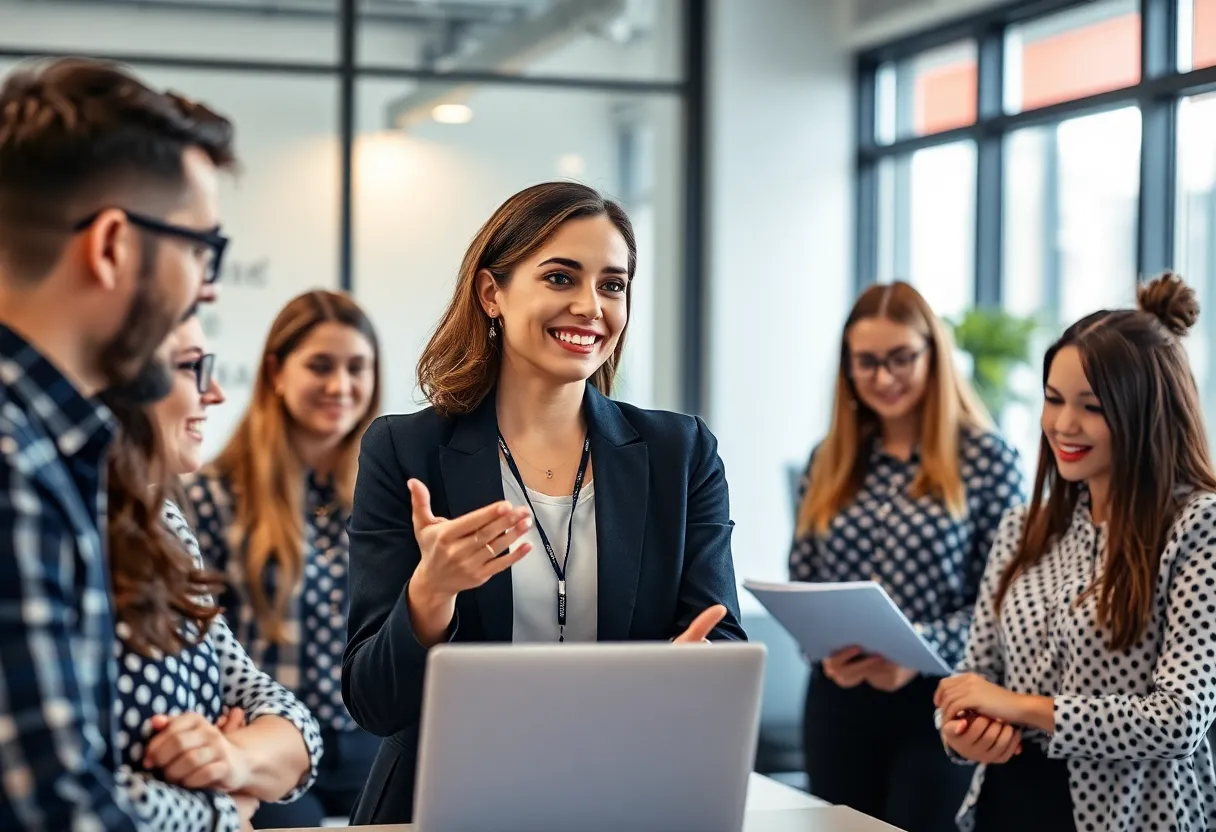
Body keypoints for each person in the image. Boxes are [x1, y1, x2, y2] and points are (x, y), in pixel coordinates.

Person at [341, 181, 746, 824]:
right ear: (491, 293)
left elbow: (719, 638)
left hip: (627, 796)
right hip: (445, 804)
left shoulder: (681, 453)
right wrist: (430, 595)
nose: (591, 306)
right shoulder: (405, 451)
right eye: (561, 277)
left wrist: (691, 679)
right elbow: (374, 703)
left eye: (613, 285)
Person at [0, 57, 233, 829]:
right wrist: (215, 815)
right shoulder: (16, 465)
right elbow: (56, 813)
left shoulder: (51, 447)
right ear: (111, 246)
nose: (207, 288)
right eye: (200, 250)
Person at [935, 273, 1216, 832]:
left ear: (1144, 411)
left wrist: (1018, 707)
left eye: (1091, 406)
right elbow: (976, 677)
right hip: (1007, 807)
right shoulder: (1023, 528)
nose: (1063, 424)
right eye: (1053, 399)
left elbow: (1179, 720)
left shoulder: (1198, 526)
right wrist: (962, 731)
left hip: (1135, 816)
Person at [789, 280, 1025, 832]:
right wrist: (822, 653)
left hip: (940, 703)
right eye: (866, 363)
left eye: (901, 359)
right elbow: (804, 580)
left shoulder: (987, 460)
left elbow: (1004, 609)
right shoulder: (829, 460)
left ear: (933, 357)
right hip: (838, 701)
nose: (884, 378)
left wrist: (917, 652)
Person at [101, 314, 324, 832]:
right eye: (191, 369)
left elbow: (293, 725)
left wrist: (229, 758)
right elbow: (77, 793)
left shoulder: (164, 523)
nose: (217, 393)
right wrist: (228, 809)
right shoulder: (66, 530)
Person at [183, 290, 381, 828]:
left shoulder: (386, 497)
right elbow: (200, 647)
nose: (341, 387)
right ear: (276, 371)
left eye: (356, 368)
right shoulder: (211, 497)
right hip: (271, 743)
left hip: (369, 740)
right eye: (320, 366)